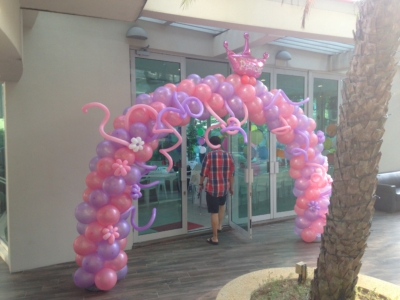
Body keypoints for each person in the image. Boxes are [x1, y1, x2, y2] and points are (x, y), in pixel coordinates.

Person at [199, 136, 235, 245]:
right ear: (220, 144)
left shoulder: (209, 156)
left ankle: (215, 238)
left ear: (211, 144)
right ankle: (219, 225)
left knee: (214, 212)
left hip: (212, 189)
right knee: (222, 205)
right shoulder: (229, 156)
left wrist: (200, 184)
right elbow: (232, 174)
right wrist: (231, 187)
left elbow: (203, 173)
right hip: (224, 188)